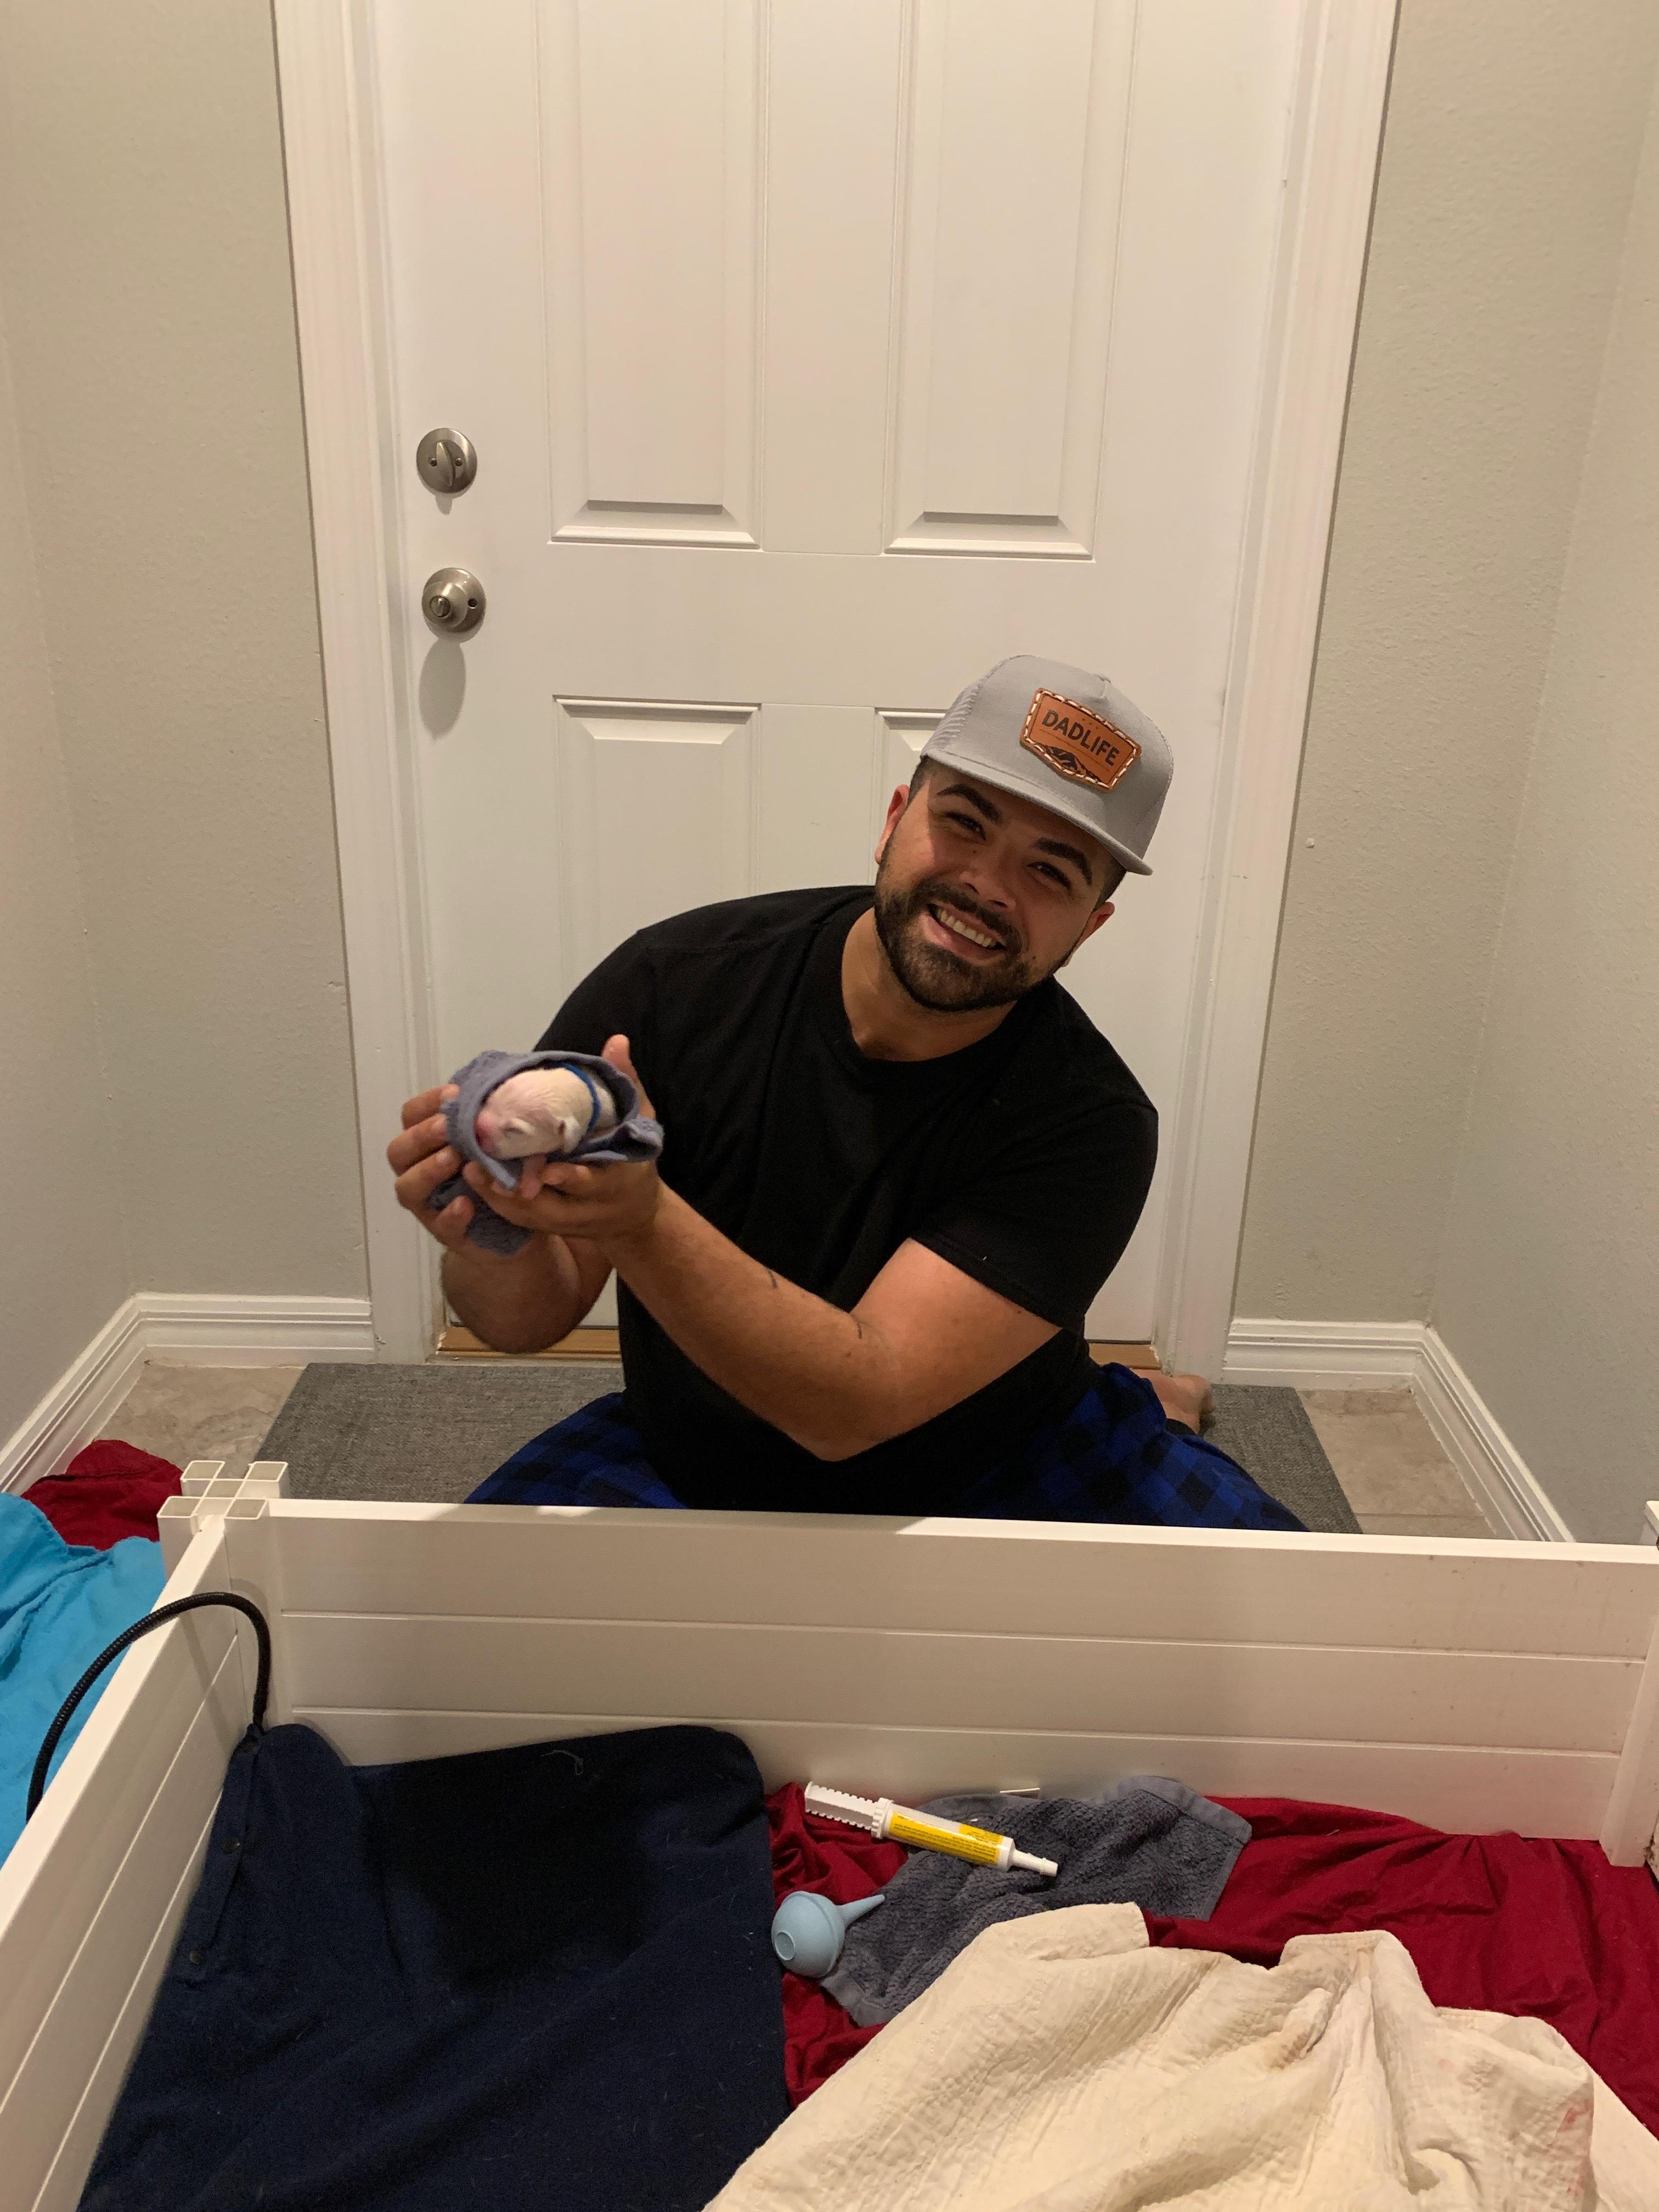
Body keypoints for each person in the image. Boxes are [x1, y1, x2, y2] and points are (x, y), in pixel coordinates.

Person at [387, 655, 1301, 1530]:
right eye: (965, 822)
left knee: (1305, 1618)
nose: (986, 884)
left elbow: (859, 1408)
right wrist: (489, 1230)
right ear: (895, 820)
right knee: (431, 1621)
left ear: (1089, 927)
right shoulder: (674, 987)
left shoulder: (1092, 1120)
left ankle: (1150, 1410)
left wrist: (641, 1220)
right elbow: (528, 1319)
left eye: (1049, 871)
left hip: (1004, 1457)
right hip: (698, 1454)